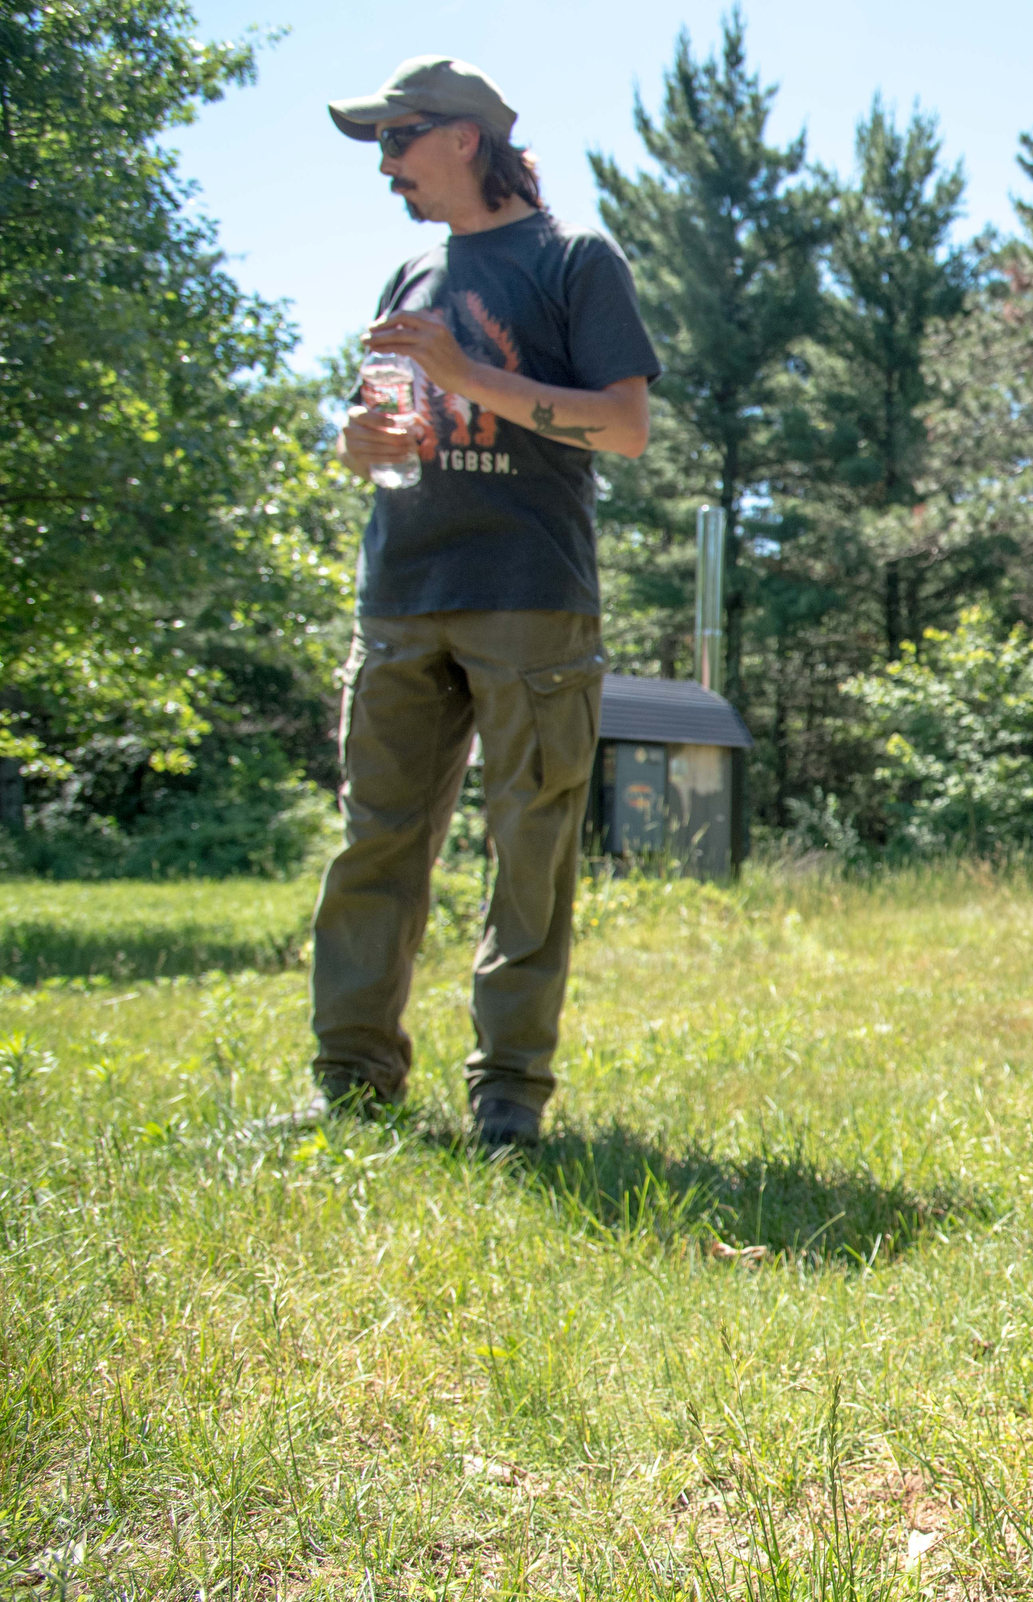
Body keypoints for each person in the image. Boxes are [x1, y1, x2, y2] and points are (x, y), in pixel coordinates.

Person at [310, 56, 660, 1148]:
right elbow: (378, 432)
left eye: (398, 138)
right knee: (375, 844)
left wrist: (470, 378)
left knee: (528, 853)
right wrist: (357, 443)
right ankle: (351, 1089)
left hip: (529, 601)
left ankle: (508, 1098)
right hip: (402, 595)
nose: (385, 165)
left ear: (465, 137)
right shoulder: (409, 275)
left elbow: (624, 426)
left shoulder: (573, 261)